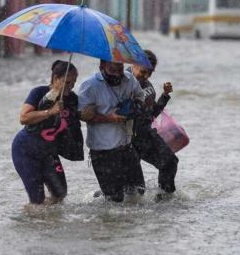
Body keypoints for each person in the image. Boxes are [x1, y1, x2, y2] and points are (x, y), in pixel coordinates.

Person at [11, 60, 88, 205]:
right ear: (56, 78)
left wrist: (88, 114)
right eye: (67, 82)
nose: (70, 87)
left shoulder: (72, 99)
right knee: (37, 199)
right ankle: (32, 217)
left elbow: (81, 115)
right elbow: (24, 118)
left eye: (73, 83)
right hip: (26, 149)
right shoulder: (39, 92)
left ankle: (50, 218)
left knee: (60, 194)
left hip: (49, 152)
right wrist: (50, 112)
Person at [78, 60, 145, 202]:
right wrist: (108, 118)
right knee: (115, 200)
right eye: (112, 70)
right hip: (103, 151)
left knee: (138, 191)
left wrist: (135, 106)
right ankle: (97, 198)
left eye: (120, 68)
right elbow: (82, 115)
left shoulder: (129, 79)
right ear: (101, 67)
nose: (117, 74)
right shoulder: (90, 86)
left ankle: (103, 194)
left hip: (126, 146)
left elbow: (140, 95)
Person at [129, 50, 179, 194]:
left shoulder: (147, 85)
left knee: (170, 162)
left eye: (150, 73)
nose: (146, 76)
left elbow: (151, 114)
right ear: (134, 64)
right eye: (143, 72)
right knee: (136, 190)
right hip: (127, 141)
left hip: (146, 136)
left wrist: (164, 96)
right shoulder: (123, 83)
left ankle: (163, 199)